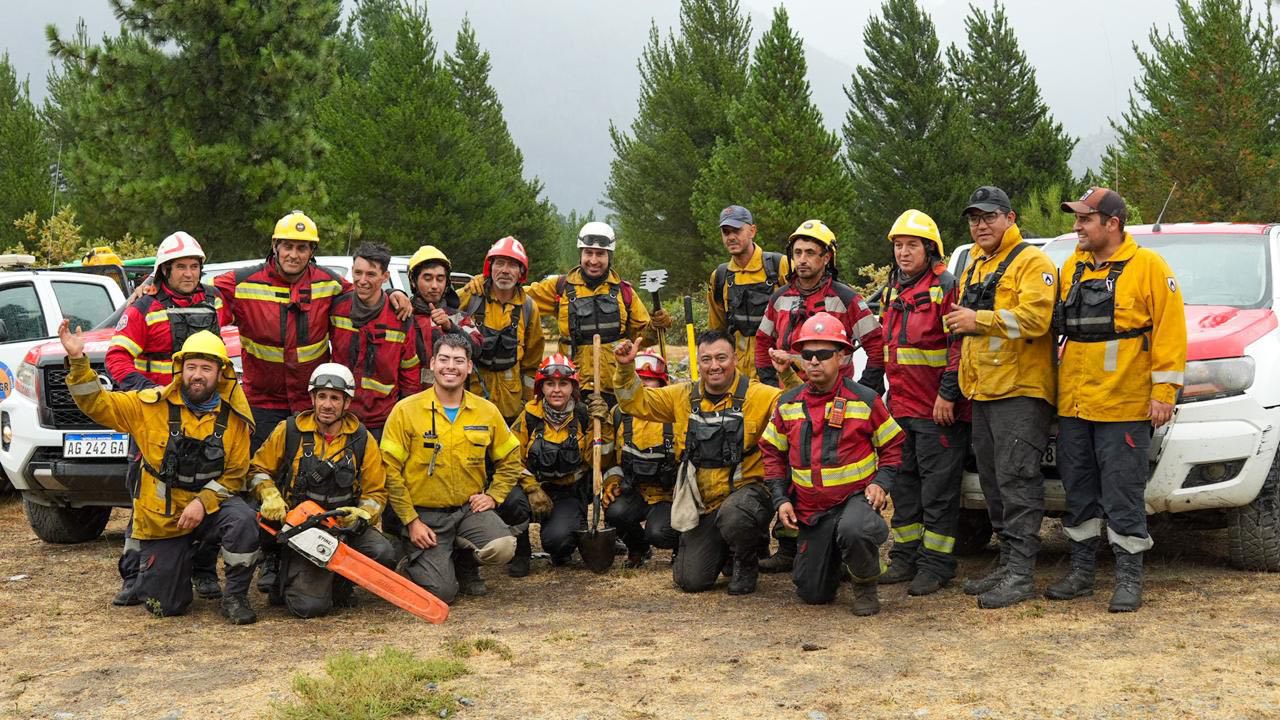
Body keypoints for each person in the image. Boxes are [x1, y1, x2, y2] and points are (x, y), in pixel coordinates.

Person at [62, 323, 259, 624]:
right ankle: (163, 565)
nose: (197, 375)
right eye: (191, 366)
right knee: (164, 606)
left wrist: (202, 503)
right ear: (180, 370)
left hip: (207, 510)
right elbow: (96, 404)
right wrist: (78, 361)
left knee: (243, 519)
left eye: (206, 368)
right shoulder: (148, 406)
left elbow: (234, 475)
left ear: (221, 374)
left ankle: (235, 597)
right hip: (164, 518)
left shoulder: (234, 419)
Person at [1047, 187, 1186, 612]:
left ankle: (1128, 578)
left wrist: (1164, 393)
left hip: (1124, 406)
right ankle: (1082, 573)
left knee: (1123, 494)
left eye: (1085, 219)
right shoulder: (1072, 265)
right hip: (1073, 404)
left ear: (1112, 223)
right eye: (1076, 219)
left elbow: (1170, 331)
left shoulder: (1148, 266)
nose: (1077, 227)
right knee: (1079, 491)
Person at [943, 186, 1057, 610]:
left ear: (1010, 218)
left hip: (1021, 390)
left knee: (1017, 479)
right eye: (974, 218)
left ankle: (1022, 574)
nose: (980, 224)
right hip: (985, 390)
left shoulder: (1032, 262)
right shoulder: (974, 262)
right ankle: (1007, 561)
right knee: (993, 482)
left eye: (989, 216)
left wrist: (980, 319)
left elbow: (1036, 319)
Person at [213, 210, 410, 452]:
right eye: (288, 246)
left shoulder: (330, 282)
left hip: (312, 402)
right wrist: (156, 281)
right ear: (275, 246)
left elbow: (365, 293)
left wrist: (393, 293)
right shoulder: (243, 282)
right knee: (258, 469)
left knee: (306, 472)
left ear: (311, 252)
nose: (293, 255)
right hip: (262, 403)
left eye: (302, 248)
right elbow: (199, 294)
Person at [106, 231, 232, 605]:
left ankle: (204, 570)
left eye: (195, 266)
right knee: (144, 497)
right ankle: (134, 574)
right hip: (156, 419)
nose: (189, 273)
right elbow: (117, 359)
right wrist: (150, 394)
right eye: (181, 267)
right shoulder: (144, 308)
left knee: (207, 491)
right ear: (164, 270)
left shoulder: (216, 302)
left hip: (205, 416)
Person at [753, 219, 886, 574]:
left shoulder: (845, 298)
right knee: (792, 466)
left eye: (811, 252)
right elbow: (762, 342)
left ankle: (843, 549)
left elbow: (875, 343)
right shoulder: (780, 298)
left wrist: (868, 390)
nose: (803, 260)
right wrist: (768, 383)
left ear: (827, 257)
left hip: (835, 403)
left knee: (827, 470)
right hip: (788, 402)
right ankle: (787, 545)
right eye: (797, 253)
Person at [612, 331, 782, 595]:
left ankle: (747, 559)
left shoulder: (761, 395)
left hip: (746, 497)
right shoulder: (681, 396)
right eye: (706, 359)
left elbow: (797, 408)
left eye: (721, 358)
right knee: (690, 582)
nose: (714, 366)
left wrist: (791, 372)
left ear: (735, 359)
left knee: (735, 516)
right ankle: (725, 549)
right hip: (703, 504)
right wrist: (625, 369)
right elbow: (635, 402)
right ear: (698, 363)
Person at [760, 313, 904, 615]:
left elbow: (893, 445)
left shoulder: (865, 399)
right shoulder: (787, 404)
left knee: (855, 530)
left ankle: (865, 585)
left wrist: (881, 482)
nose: (813, 361)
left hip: (855, 501)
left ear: (842, 357)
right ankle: (838, 559)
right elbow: (771, 453)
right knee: (813, 593)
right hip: (812, 512)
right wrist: (780, 499)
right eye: (807, 354)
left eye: (823, 354)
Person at [380, 333, 522, 603]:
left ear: (469, 367)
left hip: (468, 510)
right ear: (432, 363)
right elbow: (389, 471)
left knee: (502, 547)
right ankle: (410, 558)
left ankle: (464, 564)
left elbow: (511, 457)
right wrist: (411, 522)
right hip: (425, 517)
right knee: (442, 593)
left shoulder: (486, 411)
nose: (450, 367)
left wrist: (494, 495)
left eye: (459, 361)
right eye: (444, 359)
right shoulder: (405, 411)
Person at [248, 363, 397, 618]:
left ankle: (340, 583)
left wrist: (361, 515)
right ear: (313, 398)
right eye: (322, 397)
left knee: (383, 552)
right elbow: (257, 470)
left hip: (341, 527)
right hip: (300, 528)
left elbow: (376, 492)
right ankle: (283, 567)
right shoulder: (291, 430)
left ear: (347, 402)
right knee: (309, 607)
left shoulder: (361, 439)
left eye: (335, 398)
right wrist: (270, 494)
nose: (327, 405)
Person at [877, 210, 971, 596]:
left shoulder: (945, 286)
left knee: (938, 492)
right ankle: (905, 556)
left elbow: (957, 347)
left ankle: (936, 564)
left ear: (929, 248)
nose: (903, 253)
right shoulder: (892, 288)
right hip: (900, 408)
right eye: (898, 246)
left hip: (937, 411)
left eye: (911, 245)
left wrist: (948, 393)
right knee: (904, 488)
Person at [526, 221, 670, 405]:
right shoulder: (559, 288)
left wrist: (656, 326)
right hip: (571, 388)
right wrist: (483, 284)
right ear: (581, 254)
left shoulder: (624, 293)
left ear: (609, 256)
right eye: (588, 253)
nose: (593, 261)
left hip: (615, 388)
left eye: (600, 254)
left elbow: (643, 338)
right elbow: (516, 297)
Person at [509, 354, 613, 567]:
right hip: (534, 489)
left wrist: (605, 424)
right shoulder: (528, 417)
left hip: (568, 493)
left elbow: (600, 461)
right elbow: (511, 459)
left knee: (557, 541)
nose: (556, 390)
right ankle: (520, 552)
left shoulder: (585, 417)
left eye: (563, 384)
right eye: (550, 384)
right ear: (541, 388)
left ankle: (565, 537)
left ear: (573, 388)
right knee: (509, 501)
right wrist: (531, 488)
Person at [328, 241, 422, 438]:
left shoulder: (400, 316)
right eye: (358, 272)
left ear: (385, 276)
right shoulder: (337, 307)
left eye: (371, 274)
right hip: (340, 416)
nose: (362, 280)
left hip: (382, 420)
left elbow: (409, 370)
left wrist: (407, 412)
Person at [601, 352, 680, 568]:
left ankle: (682, 548)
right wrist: (612, 482)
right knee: (614, 512)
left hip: (668, 497)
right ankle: (638, 548)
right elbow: (608, 460)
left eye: (648, 379)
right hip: (634, 491)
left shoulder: (676, 414)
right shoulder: (619, 413)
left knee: (660, 532)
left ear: (662, 383)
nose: (642, 385)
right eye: (637, 379)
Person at [458, 236, 545, 424]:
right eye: (500, 263)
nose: (505, 270)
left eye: (513, 265)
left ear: (521, 271)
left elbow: (531, 364)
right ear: (490, 268)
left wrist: (526, 405)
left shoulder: (528, 308)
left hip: (511, 409)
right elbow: (439, 309)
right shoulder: (470, 297)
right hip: (470, 406)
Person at [706, 205, 790, 381]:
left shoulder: (779, 265)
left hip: (778, 373)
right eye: (726, 232)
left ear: (752, 231)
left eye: (736, 230)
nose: (731, 237)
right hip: (737, 377)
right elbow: (716, 330)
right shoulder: (720, 276)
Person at [405, 244, 483, 386]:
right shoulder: (405, 315)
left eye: (440, 279)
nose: (435, 285)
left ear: (447, 283)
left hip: (452, 398)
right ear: (413, 281)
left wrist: (451, 327)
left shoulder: (459, 317)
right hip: (412, 400)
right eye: (427, 278)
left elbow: (477, 350)